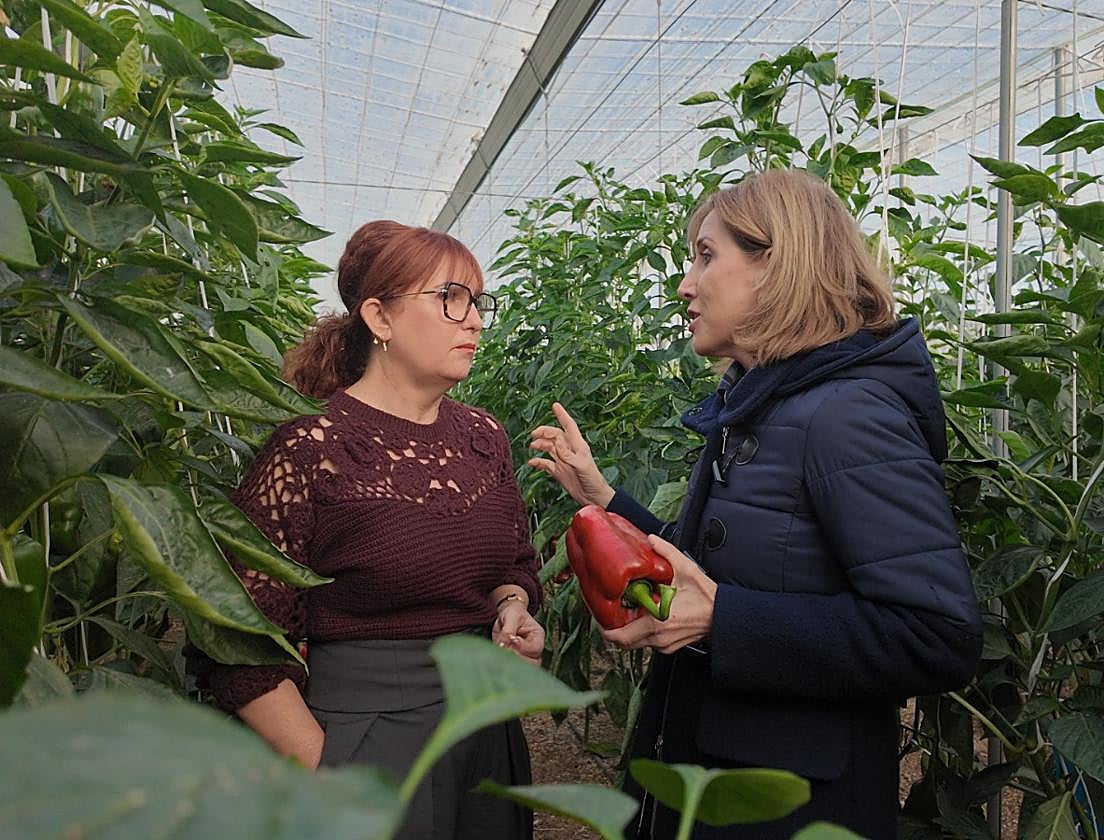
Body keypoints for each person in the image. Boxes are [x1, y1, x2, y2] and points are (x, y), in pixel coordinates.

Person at [528, 169, 983, 839]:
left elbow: (936, 636)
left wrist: (723, 621)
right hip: (715, 777)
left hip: (784, 808)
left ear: (777, 266)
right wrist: (605, 498)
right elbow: (724, 573)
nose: (685, 283)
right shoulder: (766, 406)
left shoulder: (845, 417)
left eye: (706, 255)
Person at [195, 220, 544, 840]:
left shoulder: (484, 438)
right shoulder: (310, 448)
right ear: (379, 318)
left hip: (487, 735)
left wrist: (514, 607)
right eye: (450, 298)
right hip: (369, 738)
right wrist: (324, 765)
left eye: (478, 300)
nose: (475, 320)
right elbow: (234, 635)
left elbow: (514, 563)